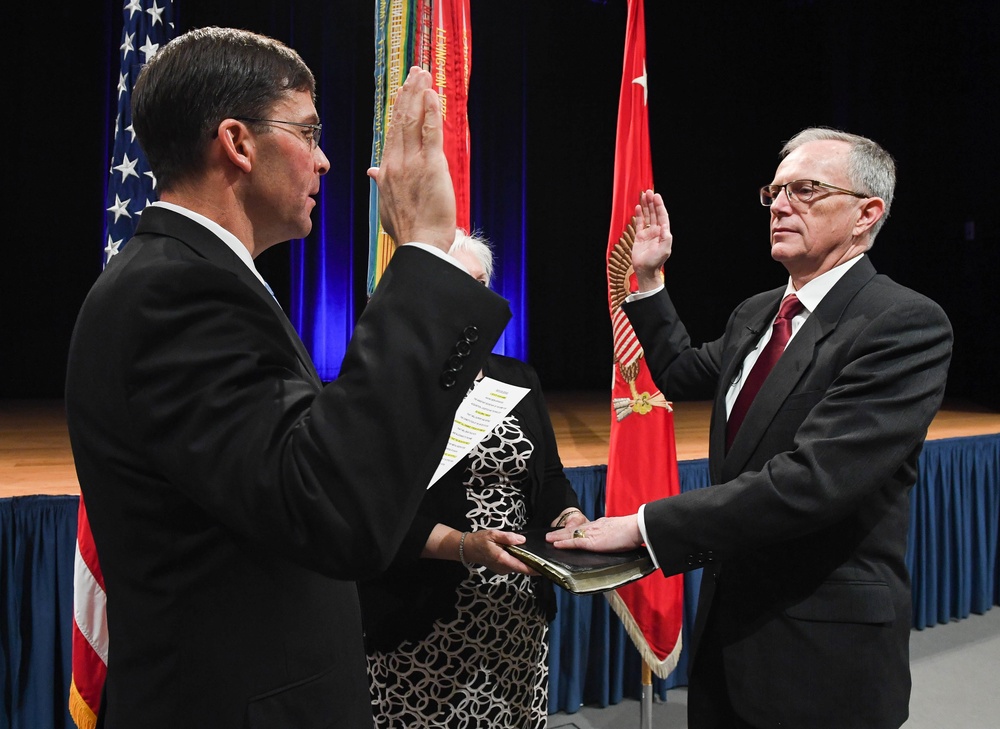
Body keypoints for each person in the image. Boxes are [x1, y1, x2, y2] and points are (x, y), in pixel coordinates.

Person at [64, 27, 511, 729]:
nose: (326, 161)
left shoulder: (189, 281)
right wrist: (422, 256)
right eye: (308, 131)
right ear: (238, 144)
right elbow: (333, 506)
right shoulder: (174, 294)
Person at [548, 128, 953, 729]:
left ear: (868, 213)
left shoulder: (903, 323)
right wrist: (652, 282)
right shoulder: (758, 312)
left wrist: (642, 525)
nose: (782, 204)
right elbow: (683, 372)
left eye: (807, 189)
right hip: (727, 637)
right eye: (776, 190)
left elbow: (810, 482)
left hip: (821, 654)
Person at [359, 230, 587, 729]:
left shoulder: (518, 377)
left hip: (516, 616)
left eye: (483, 285)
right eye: (463, 286)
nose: (478, 301)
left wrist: (570, 515)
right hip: (424, 619)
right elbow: (373, 513)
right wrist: (465, 546)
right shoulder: (388, 388)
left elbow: (547, 476)